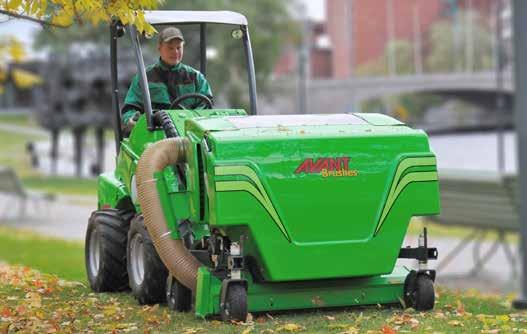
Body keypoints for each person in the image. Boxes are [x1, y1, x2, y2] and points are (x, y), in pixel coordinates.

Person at [121, 26, 213, 133]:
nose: (175, 52)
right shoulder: (144, 78)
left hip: (189, 134)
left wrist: (190, 120)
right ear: (159, 48)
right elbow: (129, 109)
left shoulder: (196, 77)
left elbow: (206, 106)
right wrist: (132, 119)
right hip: (154, 135)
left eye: (179, 48)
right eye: (170, 48)